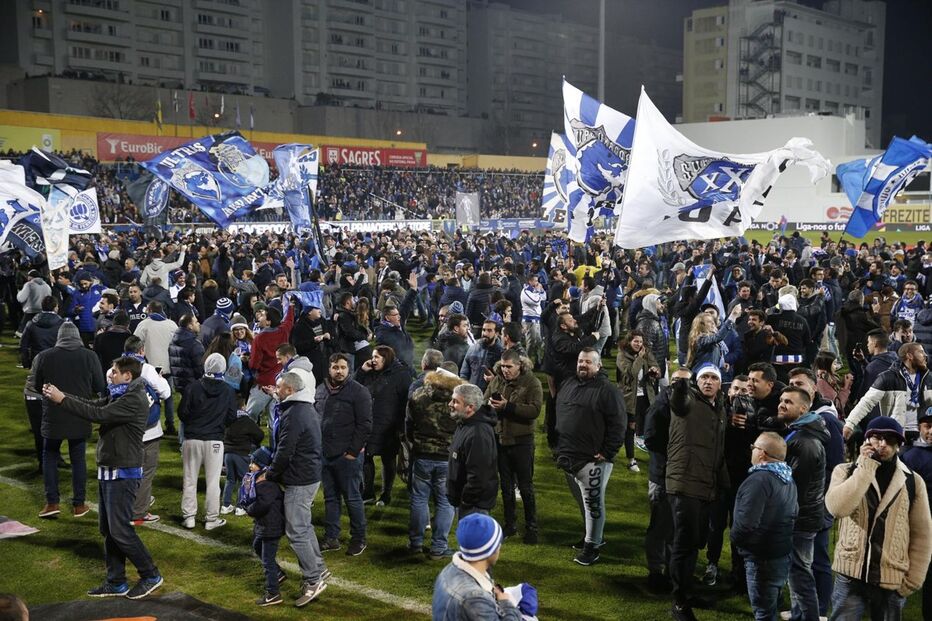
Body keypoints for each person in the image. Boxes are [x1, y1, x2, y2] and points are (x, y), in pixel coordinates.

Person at [41, 356, 164, 600]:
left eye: (115, 372)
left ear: (128, 375)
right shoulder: (119, 394)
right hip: (110, 468)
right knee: (108, 529)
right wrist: (61, 395)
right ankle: (116, 581)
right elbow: (92, 404)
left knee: (120, 530)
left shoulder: (133, 398)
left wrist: (62, 399)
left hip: (123, 471)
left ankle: (151, 574)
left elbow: (98, 414)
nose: (110, 374)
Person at [825, 416, 932, 619]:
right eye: (876, 437)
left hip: (891, 577)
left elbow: (922, 534)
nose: (882, 444)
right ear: (866, 440)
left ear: (898, 445)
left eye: (890, 439)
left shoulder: (913, 481)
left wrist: (913, 580)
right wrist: (865, 468)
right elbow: (837, 509)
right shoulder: (845, 471)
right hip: (850, 574)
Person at [666, 364, 729, 621]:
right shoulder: (688, 400)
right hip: (684, 484)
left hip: (706, 485)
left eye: (713, 378)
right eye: (704, 377)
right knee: (684, 543)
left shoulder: (720, 408)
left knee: (695, 542)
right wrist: (681, 385)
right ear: (696, 382)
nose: (708, 381)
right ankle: (679, 602)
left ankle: (687, 591)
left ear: (720, 384)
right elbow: (678, 402)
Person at [261, 371, 329, 607]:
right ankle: (319, 568)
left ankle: (313, 580)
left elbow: (285, 450)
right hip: (308, 474)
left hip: (300, 478)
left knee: (296, 531)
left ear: (290, 390)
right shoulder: (303, 407)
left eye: (279, 387)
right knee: (304, 526)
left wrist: (270, 473)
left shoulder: (294, 414)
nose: (276, 389)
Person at [554, 348, 625, 566]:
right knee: (583, 503)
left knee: (593, 504)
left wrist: (608, 452)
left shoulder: (608, 390)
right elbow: (557, 414)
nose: (583, 365)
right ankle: (592, 536)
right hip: (568, 457)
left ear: (598, 365)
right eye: (580, 361)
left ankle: (592, 547)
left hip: (593, 460)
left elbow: (619, 424)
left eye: (588, 362)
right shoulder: (568, 383)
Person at [33, 321, 106, 519]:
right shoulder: (89, 356)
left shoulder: (45, 356)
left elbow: (37, 385)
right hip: (79, 412)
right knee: (78, 458)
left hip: (53, 413)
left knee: (50, 456)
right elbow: (100, 385)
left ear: (59, 336)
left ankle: (52, 503)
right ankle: (79, 504)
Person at [731, 432, 797, 621]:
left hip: (762, 558)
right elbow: (795, 513)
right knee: (770, 607)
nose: (751, 450)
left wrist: (736, 540)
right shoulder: (788, 478)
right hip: (781, 554)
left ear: (762, 453)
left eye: (754, 447)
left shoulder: (759, 481)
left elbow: (746, 524)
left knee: (763, 613)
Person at [776, 386, 828, 621]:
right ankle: (799, 615)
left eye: (788, 402)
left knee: (800, 575)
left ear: (803, 409)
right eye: (781, 400)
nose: (781, 404)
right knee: (797, 571)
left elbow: (795, 485)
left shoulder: (805, 441)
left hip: (800, 517)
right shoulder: (801, 433)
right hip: (803, 515)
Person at [315, 353, 372, 557]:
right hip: (325, 453)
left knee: (352, 498)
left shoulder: (359, 391)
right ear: (329, 369)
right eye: (335, 367)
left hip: (347, 455)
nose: (339, 371)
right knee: (330, 497)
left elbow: (365, 425)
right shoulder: (321, 389)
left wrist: (353, 452)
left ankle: (359, 538)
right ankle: (332, 537)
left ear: (348, 369)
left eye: (342, 367)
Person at [485, 349, 543, 544]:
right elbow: (484, 399)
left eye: (509, 366)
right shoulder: (497, 380)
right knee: (506, 487)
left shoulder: (532, 382)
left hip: (522, 442)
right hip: (501, 440)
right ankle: (510, 525)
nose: (505, 370)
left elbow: (535, 410)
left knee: (525, 487)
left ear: (519, 365)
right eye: (502, 366)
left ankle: (531, 528)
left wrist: (507, 406)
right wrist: (489, 405)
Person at [407, 365, 463, 560]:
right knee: (445, 502)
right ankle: (438, 547)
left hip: (422, 454)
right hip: (447, 458)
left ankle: (415, 543)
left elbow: (408, 424)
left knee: (419, 499)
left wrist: (414, 443)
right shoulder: (457, 400)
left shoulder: (418, 395)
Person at [178, 353, 237, 530]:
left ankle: (189, 517)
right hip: (215, 440)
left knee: (190, 479)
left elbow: (182, 413)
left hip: (193, 439)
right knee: (213, 481)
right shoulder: (228, 390)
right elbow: (232, 417)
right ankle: (211, 519)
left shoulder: (193, 387)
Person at [431, 513, 522, 620]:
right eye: (498, 543)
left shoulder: (449, 569)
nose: (500, 547)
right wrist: (507, 604)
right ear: (490, 550)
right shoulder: (474, 599)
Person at [121, 336, 171, 526]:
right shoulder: (147, 369)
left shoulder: (113, 369)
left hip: (123, 429)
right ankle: (138, 512)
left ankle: (128, 504)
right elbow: (166, 393)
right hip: (147, 431)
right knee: (145, 471)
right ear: (141, 350)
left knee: (126, 470)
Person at [844, 342, 932, 445]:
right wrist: (850, 424)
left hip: (925, 436)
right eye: (921, 352)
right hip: (897, 436)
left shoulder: (929, 379)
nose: (925, 356)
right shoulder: (887, 378)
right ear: (909, 356)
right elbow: (867, 402)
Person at [355, 345, 410, 506]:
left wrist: (401, 426)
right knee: (366, 457)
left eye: (376, 357)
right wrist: (361, 371)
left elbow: (405, 401)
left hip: (389, 426)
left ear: (386, 358)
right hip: (368, 423)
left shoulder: (401, 374)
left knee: (388, 459)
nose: (373, 360)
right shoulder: (369, 372)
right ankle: (368, 493)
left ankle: (386, 494)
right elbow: (353, 387)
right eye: (372, 356)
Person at [447, 383, 499, 517]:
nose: (450, 404)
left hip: (474, 505)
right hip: (467, 502)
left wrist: (466, 500)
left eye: (455, 401)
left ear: (470, 407)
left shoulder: (478, 433)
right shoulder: (465, 424)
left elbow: (478, 476)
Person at [244, 447, 287, 607]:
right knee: (257, 546)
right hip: (265, 525)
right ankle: (278, 573)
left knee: (267, 560)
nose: (250, 466)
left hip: (271, 527)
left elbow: (263, 504)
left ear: (263, 466)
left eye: (254, 463)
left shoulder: (267, 484)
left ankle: (273, 593)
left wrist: (249, 509)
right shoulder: (261, 481)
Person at [900, 409, 932, 619]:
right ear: (919, 427)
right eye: (927, 426)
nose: (931, 431)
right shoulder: (908, 456)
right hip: (915, 523)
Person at [616, 330, 660, 473]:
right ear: (629, 342)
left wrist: (655, 370)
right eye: (636, 341)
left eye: (640, 341)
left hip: (647, 396)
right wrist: (640, 358)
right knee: (630, 429)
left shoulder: (646, 352)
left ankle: (654, 456)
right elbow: (631, 373)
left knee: (650, 427)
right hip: (630, 398)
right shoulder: (622, 355)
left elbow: (656, 367)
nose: (639, 344)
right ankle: (631, 460)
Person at [247, 303, 296, 423]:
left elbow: (254, 364)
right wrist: (291, 307)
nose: (260, 317)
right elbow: (289, 320)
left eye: (263, 315)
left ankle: (248, 435)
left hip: (263, 384)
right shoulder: (283, 330)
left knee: (249, 416)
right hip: (280, 382)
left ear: (268, 322)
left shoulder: (259, 338)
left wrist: (246, 361)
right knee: (274, 419)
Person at [221, 398, 264, 515]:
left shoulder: (228, 420)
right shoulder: (247, 421)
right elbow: (260, 434)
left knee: (230, 480)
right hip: (241, 454)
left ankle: (225, 505)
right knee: (243, 480)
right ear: (243, 407)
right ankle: (240, 507)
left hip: (228, 454)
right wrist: (253, 442)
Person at [461, 319, 504, 391]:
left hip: (488, 393)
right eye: (484, 330)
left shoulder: (501, 353)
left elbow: (503, 380)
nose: (485, 333)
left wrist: (494, 380)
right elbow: (464, 373)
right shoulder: (473, 348)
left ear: (496, 333)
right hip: (471, 391)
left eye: (489, 330)